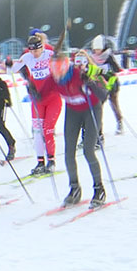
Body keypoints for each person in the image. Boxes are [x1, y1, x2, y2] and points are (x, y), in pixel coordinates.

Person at [50, 50, 108, 209]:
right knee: (68, 152)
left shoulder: (85, 73)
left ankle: (99, 189)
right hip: (73, 111)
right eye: (53, 68)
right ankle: (74, 188)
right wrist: (33, 89)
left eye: (59, 68)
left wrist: (91, 83)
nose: (56, 73)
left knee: (88, 151)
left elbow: (104, 95)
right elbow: (43, 93)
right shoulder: (57, 77)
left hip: (91, 110)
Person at [12, 33, 62, 175]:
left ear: (42, 47)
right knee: (38, 132)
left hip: (53, 98)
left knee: (47, 130)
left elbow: (65, 65)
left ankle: (51, 161)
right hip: (37, 99)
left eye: (36, 50)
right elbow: (13, 70)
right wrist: (10, 64)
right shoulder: (27, 57)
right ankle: (40, 162)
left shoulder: (49, 54)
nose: (34, 53)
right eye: (31, 51)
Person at [89, 34, 123, 135]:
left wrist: (106, 72)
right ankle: (99, 128)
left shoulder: (108, 56)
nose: (97, 51)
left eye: (99, 49)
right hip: (100, 85)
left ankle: (119, 122)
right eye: (95, 49)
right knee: (99, 107)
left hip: (111, 82)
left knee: (114, 104)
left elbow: (117, 69)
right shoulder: (92, 58)